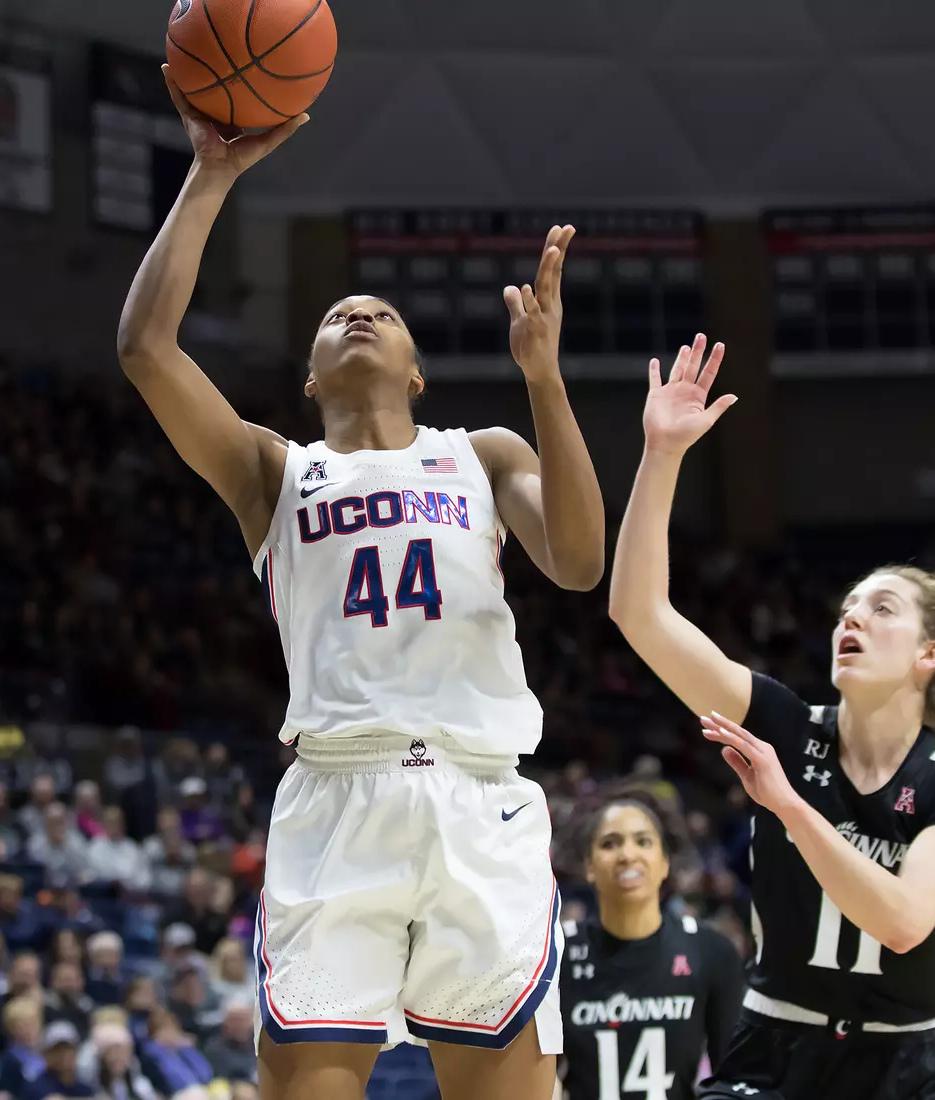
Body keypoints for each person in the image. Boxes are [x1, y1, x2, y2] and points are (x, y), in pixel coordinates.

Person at [115, 67, 604, 1100]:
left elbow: (577, 558)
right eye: (339, 312)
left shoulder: (481, 450)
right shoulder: (275, 471)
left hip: (481, 796)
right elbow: (146, 348)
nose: (358, 314)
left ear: (419, 370)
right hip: (339, 791)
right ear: (307, 377)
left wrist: (546, 379)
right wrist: (208, 175)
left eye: (380, 310)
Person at [607, 335, 935, 1100]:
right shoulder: (782, 719)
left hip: (896, 1068)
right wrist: (662, 455)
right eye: (848, 608)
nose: (854, 619)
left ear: (930, 654)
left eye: (881, 609)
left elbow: (906, 921)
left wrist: (789, 806)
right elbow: (638, 613)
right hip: (773, 1050)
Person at [557, 788, 745, 1100]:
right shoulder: (557, 953)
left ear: (664, 863)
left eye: (643, 841)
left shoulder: (711, 950)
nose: (628, 855)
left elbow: (734, 1078)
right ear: (589, 866)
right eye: (610, 843)